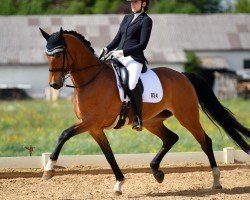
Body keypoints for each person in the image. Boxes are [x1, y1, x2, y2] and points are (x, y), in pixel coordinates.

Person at [100, 0, 152, 131]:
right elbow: (117, 39)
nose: (132, 5)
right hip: (119, 56)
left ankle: (138, 117)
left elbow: (143, 44)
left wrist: (124, 52)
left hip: (134, 58)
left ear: (143, 3)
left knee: (131, 83)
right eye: (131, 2)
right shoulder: (126, 18)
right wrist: (106, 48)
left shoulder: (146, 20)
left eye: (135, 2)